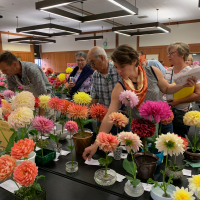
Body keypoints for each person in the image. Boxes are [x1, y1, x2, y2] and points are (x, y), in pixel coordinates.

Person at [83, 44, 196, 160]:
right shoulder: (120, 87)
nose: (118, 71)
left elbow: (166, 88)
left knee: (167, 160)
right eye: (116, 67)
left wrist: (183, 85)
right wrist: (96, 144)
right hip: (140, 129)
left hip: (163, 124)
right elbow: (109, 115)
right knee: (142, 161)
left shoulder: (153, 72)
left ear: (133, 61)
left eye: (122, 66)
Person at [87, 46, 130, 134]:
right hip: (103, 120)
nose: (91, 66)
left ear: (102, 58)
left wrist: (127, 112)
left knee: (121, 146)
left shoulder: (119, 71)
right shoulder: (95, 75)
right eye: (90, 63)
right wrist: (83, 113)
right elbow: (94, 99)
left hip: (120, 121)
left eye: (93, 62)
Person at [164, 42, 200, 137]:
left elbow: (198, 94)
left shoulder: (192, 72)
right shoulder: (167, 71)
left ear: (182, 54)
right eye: (168, 53)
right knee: (164, 139)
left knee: (179, 141)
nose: (169, 56)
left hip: (181, 113)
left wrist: (179, 101)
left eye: (171, 53)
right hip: (165, 111)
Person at [0, 51, 52, 116]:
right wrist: (12, 111)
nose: (3, 72)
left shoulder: (31, 70)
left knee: (43, 121)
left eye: (4, 70)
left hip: (44, 99)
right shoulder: (10, 73)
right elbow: (11, 91)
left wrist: (40, 118)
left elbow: (42, 95)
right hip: (30, 98)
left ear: (14, 65)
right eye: (2, 70)